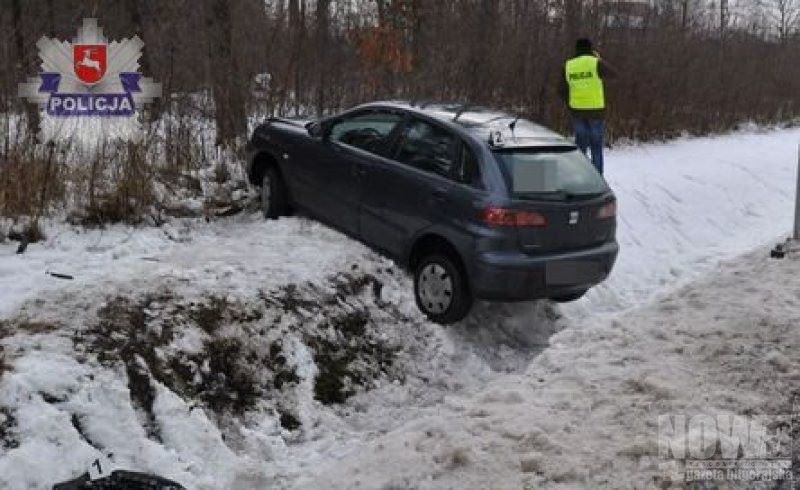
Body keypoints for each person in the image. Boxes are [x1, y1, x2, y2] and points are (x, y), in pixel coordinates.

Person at [561, 38, 617, 174]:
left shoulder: (568, 65)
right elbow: (613, 74)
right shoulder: (595, 62)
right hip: (596, 112)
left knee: (580, 147)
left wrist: (570, 104)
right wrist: (599, 59)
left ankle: (580, 177)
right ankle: (597, 180)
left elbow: (560, 90)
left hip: (577, 112)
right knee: (596, 147)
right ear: (590, 49)